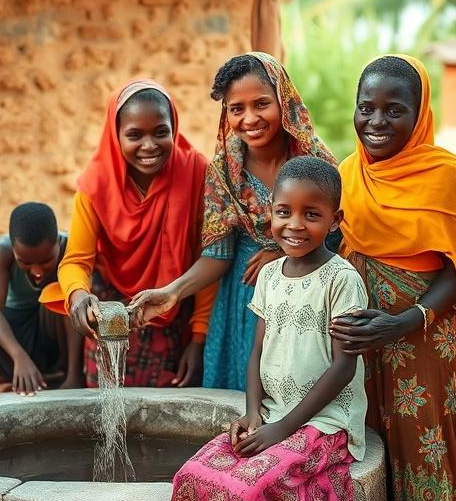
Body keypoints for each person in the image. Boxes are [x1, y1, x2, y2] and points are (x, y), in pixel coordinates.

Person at [330, 55, 456, 501]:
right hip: (362, 340)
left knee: (424, 447)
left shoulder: (447, 176)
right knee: (366, 443)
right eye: (367, 108)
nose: (376, 122)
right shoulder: (347, 173)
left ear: (419, 114)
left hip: (423, 338)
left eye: (393, 110)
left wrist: (404, 321)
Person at [163, 156, 367, 501]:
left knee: (246, 491)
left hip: (322, 422)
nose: (294, 225)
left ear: (335, 220)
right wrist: (253, 412)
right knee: (191, 476)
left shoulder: (342, 280)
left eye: (311, 214)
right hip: (270, 412)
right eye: (283, 212)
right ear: (270, 214)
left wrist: (283, 428)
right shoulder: (271, 276)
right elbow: (256, 351)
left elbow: (343, 368)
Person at [129, 53, 336, 390]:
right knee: (240, 407)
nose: (250, 118)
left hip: (305, 298)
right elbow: (218, 255)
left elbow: (337, 232)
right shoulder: (225, 171)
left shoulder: (314, 162)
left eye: (261, 104)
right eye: (236, 109)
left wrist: (286, 252)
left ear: (284, 101)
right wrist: (171, 292)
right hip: (244, 301)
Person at [55, 80, 216, 387]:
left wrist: (199, 338)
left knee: (168, 415)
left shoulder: (196, 173)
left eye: (160, 131)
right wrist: (77, 297)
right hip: (112, 312)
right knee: (104, 413)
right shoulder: (96, 185)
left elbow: (207, 258)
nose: (149, 145)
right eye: (134, 135)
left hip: (174, 310)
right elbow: (76, 260)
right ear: (115, 136)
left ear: (174, 127)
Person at [0, 202, 83, 394]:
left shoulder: (70, 248)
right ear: (13, 249)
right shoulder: (2, 250)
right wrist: (19, 357)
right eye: (25, 262)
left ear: (58, 243)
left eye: (46, 261)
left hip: (52, 337)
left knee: (66, 297)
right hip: (15, 337)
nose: (37, 272)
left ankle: (74, 377)